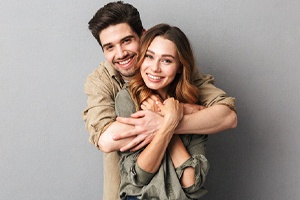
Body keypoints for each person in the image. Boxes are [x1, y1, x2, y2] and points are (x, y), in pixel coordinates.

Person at [82, 1, 237, 199]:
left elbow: (227, 117)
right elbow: (106, 139)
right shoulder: (102, 81)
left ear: (143, 35)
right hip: (129, 192)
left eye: (127, 40)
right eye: (110, 47)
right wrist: (172, 117)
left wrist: (168, 120)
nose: (120, 53)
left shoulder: (178, 71)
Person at [116, 23, 210, 199]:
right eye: (149, 57)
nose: (155, 68)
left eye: (166, 60)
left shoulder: (194, 103)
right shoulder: (127, 99)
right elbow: (140, 176)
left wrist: (168, 121)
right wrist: (169, 120)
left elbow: (191, 182)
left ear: (180, 66)